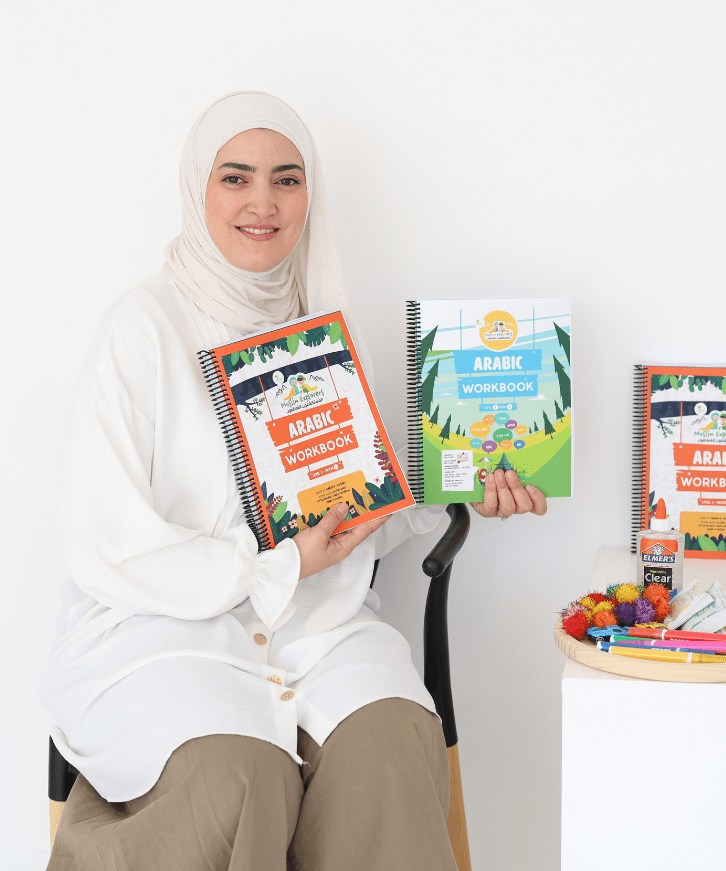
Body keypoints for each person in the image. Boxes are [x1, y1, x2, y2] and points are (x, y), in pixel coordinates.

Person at [41, 91, 546, 871]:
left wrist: (459, 481)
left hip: (321, 630)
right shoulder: (141, 329)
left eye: (287, 179)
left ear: (311, 195)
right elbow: (104, 543)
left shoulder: (328, 325)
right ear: (197, 192)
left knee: (390, 740)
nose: (263, 203)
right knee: (238, 771)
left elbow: (362, 501)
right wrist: (276, 566)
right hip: (167, 633)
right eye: (236, 179)